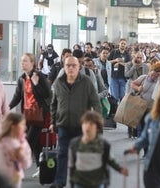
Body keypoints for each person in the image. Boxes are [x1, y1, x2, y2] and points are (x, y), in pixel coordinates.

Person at [50, 56, 101, 188]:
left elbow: (95, 103)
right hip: (63, 124)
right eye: (68, 65)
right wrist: (52, 121)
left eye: (74, 65)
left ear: (79, 67)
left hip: (81, 126)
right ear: (64, 67)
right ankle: (59, 181)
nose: (71, 68)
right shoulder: (58, 83)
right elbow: (54, 104)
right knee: (62, 153)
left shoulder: (86, 82)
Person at [9, 53, 51, 177]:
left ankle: (17, 167)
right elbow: (18, 96)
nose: (22, 63)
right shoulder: (22, 78)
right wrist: (7, 107)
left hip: (39, 114)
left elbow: (47, 94)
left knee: (28, 141)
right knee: (36, 142)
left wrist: (36, 84)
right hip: (26, 114)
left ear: (32, 63)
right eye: (22, 61)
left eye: (25, 61)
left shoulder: (39, 76)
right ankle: (40, 167)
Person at [68, 110, 128, 188]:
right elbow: (71, 165)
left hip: (97, 183)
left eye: (91, 124)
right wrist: (71, 182)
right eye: (85, 123)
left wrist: (120, 169)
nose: (87, 126)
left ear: (97, 127)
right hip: (79, 182)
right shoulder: (74, 144)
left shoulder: (103, 144)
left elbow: (110, 160)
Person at [0, 112, 32, 188]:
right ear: (13, 126)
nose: (25, 127)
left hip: (15, 177)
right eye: (22, 124)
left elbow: (27, 165)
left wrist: (22, 156)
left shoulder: (23, 143)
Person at [131, 61, 160, 140]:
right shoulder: (144, 78)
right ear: (151, 70)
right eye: (152, 74)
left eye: (156, 74)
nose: (153, 77)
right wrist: (138, 88)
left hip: (154, 109)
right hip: (141, 108)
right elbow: (133, 84)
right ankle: (144, 147)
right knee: (142, 129)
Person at [107, 38, 131, 103]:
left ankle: (121, 111)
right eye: (122, 43)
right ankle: (115, 111)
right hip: (114, 77)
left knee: (122, 96)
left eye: (124, 44)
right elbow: (108, 62)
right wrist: (115, 60)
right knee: (115, 96)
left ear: (126, 45)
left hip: (123, 78)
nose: (123, 45)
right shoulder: (113, 52)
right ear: (119, 44)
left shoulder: (127, 54)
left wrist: (121, 63)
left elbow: (129, 64)